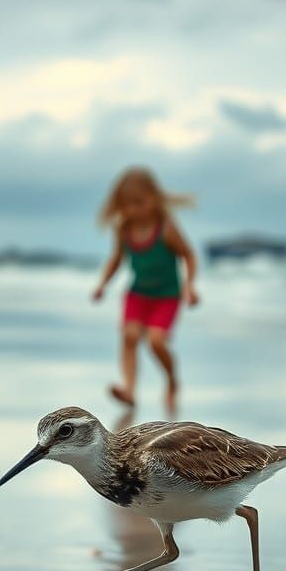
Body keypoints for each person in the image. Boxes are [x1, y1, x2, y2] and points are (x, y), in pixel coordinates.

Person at [92, 167, 198, 412]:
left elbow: (189, 255)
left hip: (167, 296)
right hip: (137, 294)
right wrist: (102, 284)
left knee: (156, 342)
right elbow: (116, 259)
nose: (134, 210)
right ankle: (129, 389)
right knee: (129, 336)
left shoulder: (165, 227)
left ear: (153, 198)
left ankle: (172, 381)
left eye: (139, 203)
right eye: (127, 205)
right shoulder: (123, 229)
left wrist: (189, 286)